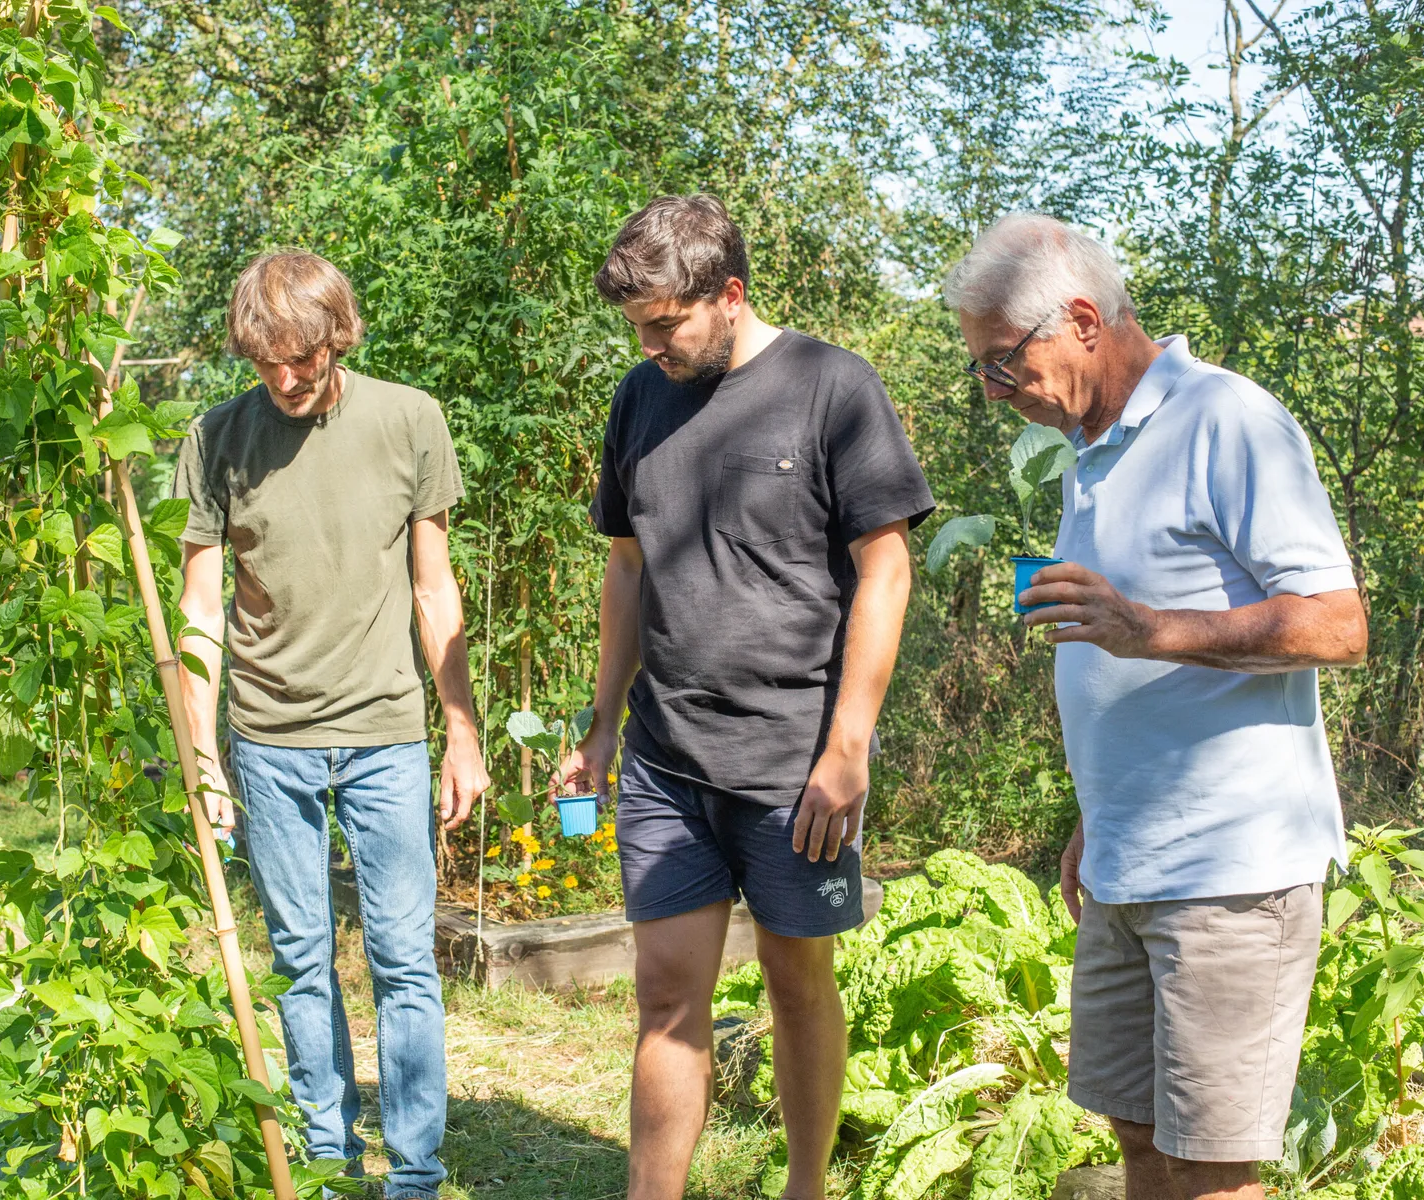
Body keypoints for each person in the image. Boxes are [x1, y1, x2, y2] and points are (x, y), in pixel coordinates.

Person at [944, 214, 1368, 1200]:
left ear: (1082, 321)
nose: (994, 389)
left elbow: (1339, 625)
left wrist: (1151, 628)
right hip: (1126, 862)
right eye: (982, 368)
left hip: (1231, 871)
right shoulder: (1090, 448)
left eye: (1003, 362)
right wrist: (1096, 819)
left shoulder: (1227, 419)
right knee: (1136, 1135)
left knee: (1211, 1167)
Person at [557, 194, 935, 1200]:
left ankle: (806, 1187)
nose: (650, 347)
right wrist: (601, 725)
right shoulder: (642, 398)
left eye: (666, 324)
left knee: (796, 984)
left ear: (730, 294)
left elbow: (887, 571)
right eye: (637, 328)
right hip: (667, 757)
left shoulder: (833, 387)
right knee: (667, 996)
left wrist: (847, 747)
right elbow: (628, 568)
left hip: (795, 764)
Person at [173, 250, 491, 1200]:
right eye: (265, 362)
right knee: (301, 962)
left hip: (386, 732)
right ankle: (328, 1167)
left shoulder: (409, 419)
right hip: (270, 741)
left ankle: (415, 1176)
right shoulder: (215, 437)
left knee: (404, 961)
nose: (285, 378)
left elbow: (434, 591)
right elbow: (199, 611)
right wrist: (203, 758)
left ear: (339, 337)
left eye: (302, 358)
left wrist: (462, 732)